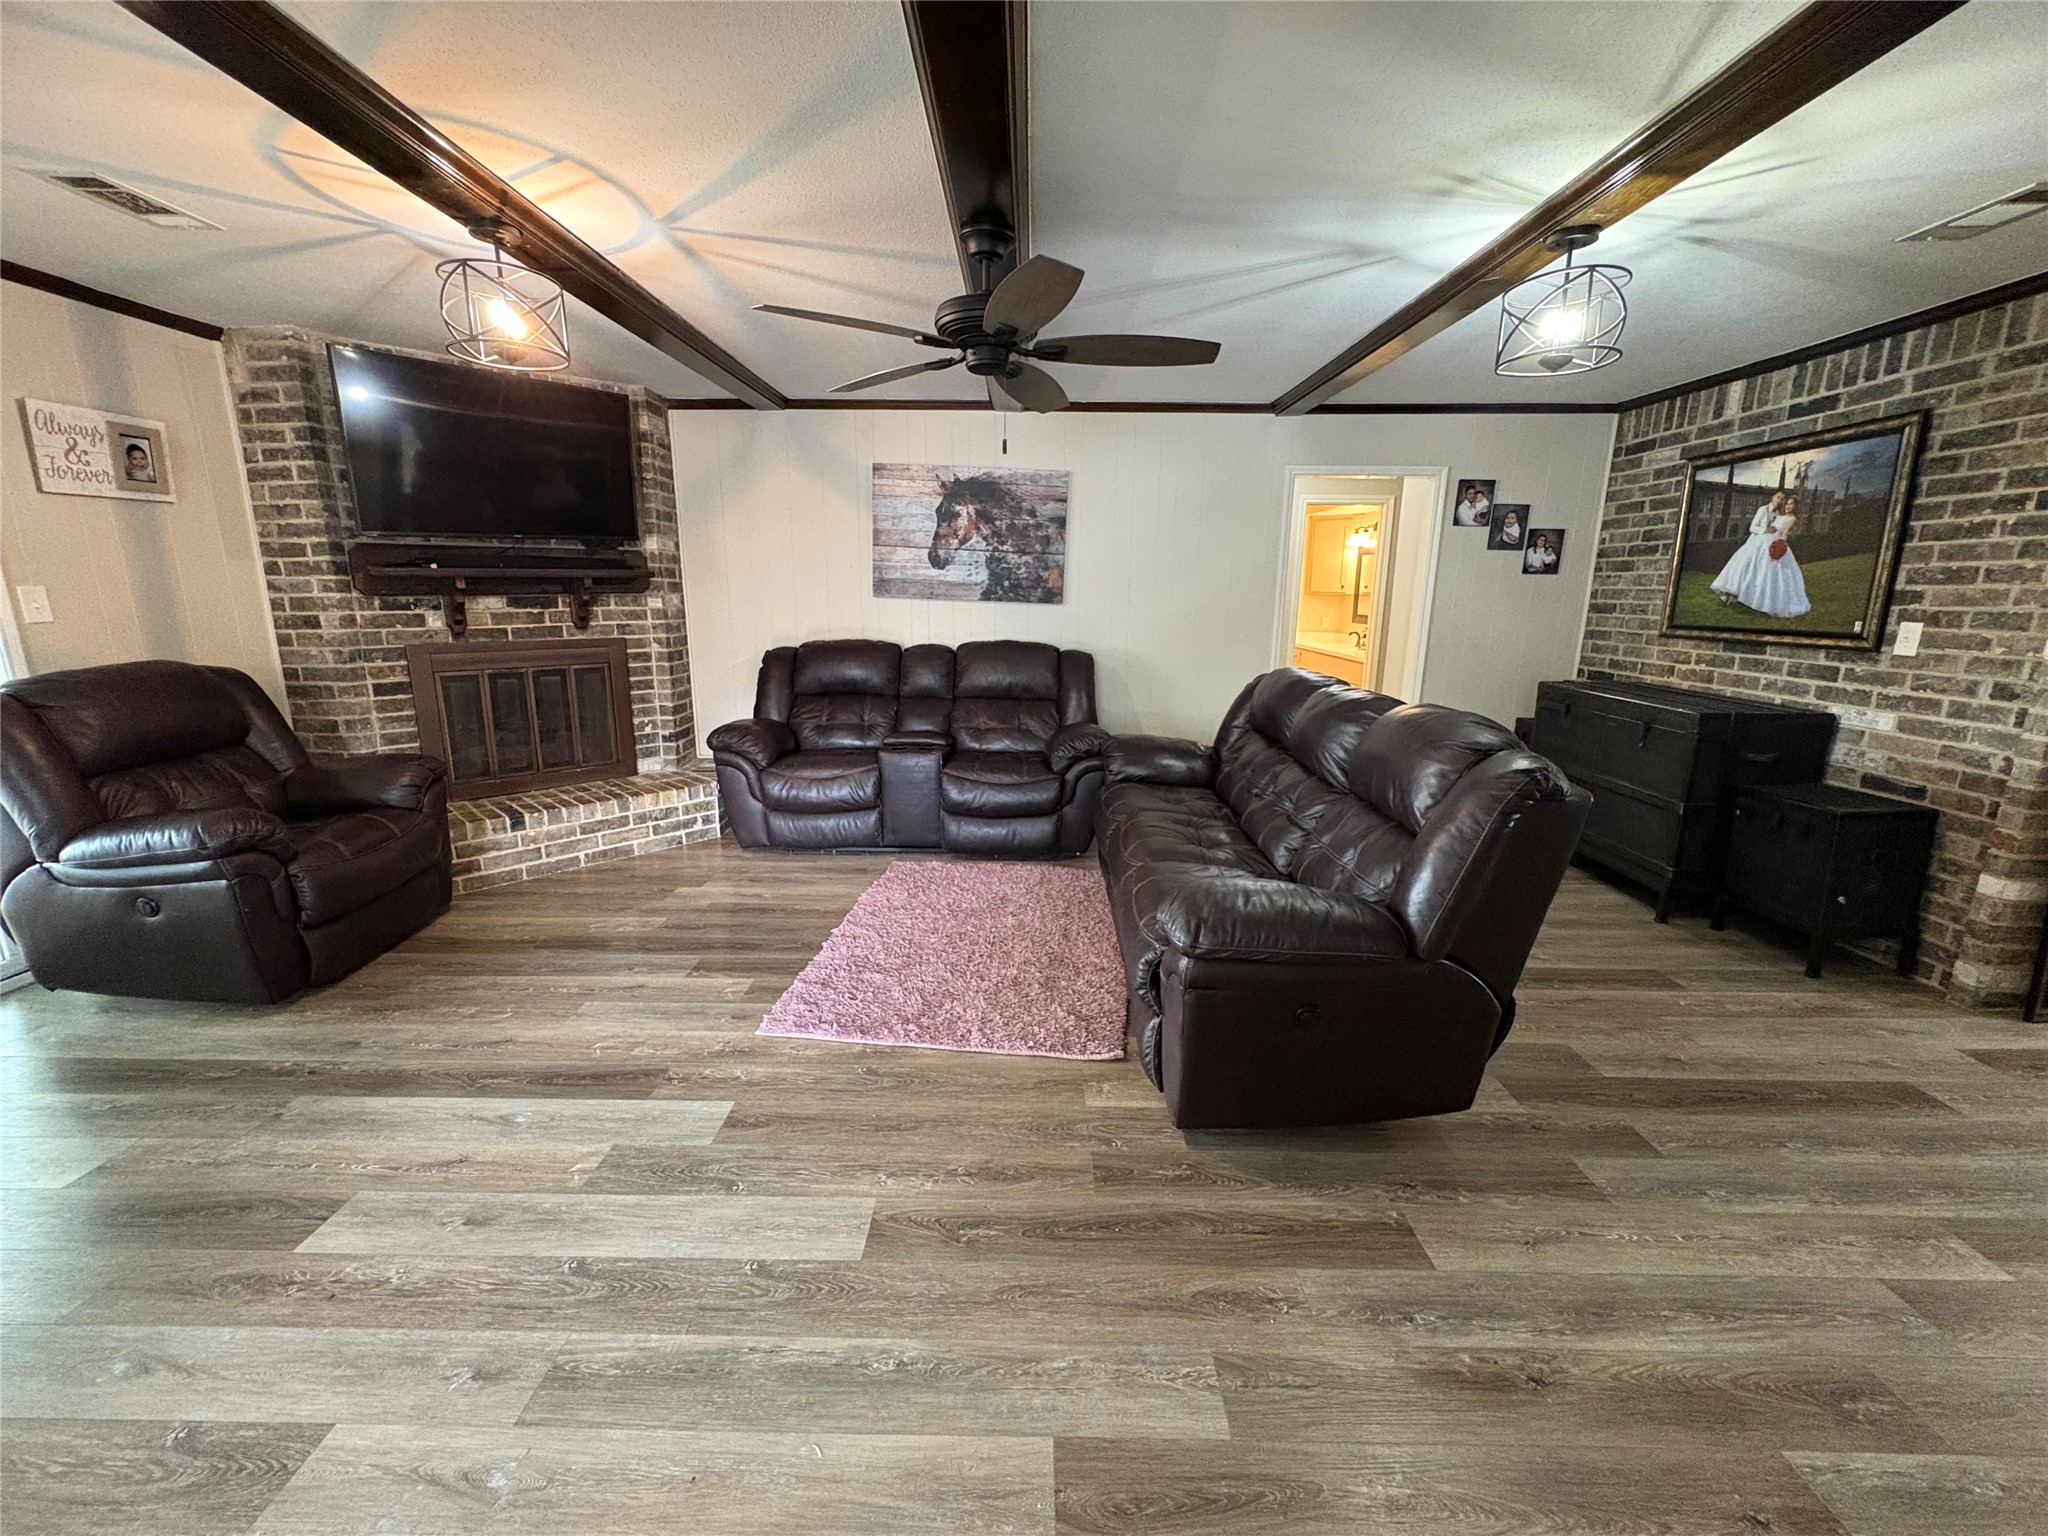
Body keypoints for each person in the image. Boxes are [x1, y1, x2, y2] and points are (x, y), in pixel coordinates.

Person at [1709, 490, 1811, 618]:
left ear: (1796, 506)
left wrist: (1780, 545)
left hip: (1773, 541)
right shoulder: (1765, 510)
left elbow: (1785, 533)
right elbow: (1753, 527)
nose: (1788, 506)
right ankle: (1732, 592)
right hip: (1760, 541)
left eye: (1791, 504)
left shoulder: (1792, 518)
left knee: (1766, 572)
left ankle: (1759, 598)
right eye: (1787, 503)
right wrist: (1766, 531)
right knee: (1746, 565)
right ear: (1773, 498)